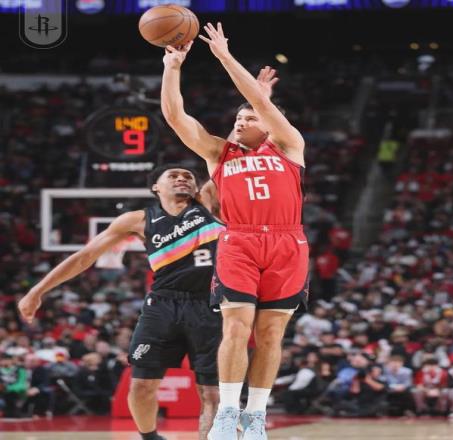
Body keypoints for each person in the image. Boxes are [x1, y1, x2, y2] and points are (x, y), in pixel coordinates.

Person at [161, 22, 309, 439]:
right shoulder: (219, 154)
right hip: (239, 240)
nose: (240, 121)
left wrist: (225, 57)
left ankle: (255, 416)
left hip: (287, 241)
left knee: (271, 333)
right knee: (236, 327)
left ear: (268, 123)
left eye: (249, 117)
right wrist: (172, 68)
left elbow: (262, 105)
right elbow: (176, 118)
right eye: (237, 117)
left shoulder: (289, 145)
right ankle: (228, 412)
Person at [18, 165, 225, 440]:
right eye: (173, 175)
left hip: (210, 304)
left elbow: (225, 159)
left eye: (188, 176)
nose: (182, 178)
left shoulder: (207, 201)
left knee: (212, 391)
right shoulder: (137, 220)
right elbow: (85, 256)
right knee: (141, 386)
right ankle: (150, 437)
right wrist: (37, 290)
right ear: (156, 187)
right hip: (162, 306)